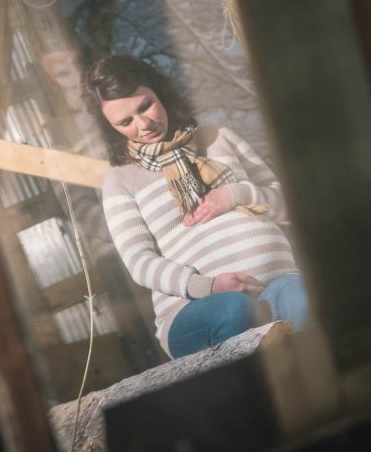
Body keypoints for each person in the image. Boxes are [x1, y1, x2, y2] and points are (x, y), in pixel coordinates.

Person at [85, 55, 308, 359]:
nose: (144, 124)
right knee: (234, 310)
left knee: (306, 299)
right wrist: (209, 286)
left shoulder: (218, 137)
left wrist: (235, 194)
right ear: (112, 129)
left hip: (278, 282)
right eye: (126, 122)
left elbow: (287, 204)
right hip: (194, 308)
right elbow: (139, 262)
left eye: (145, 106)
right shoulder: (121, 180)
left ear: (159, 92)